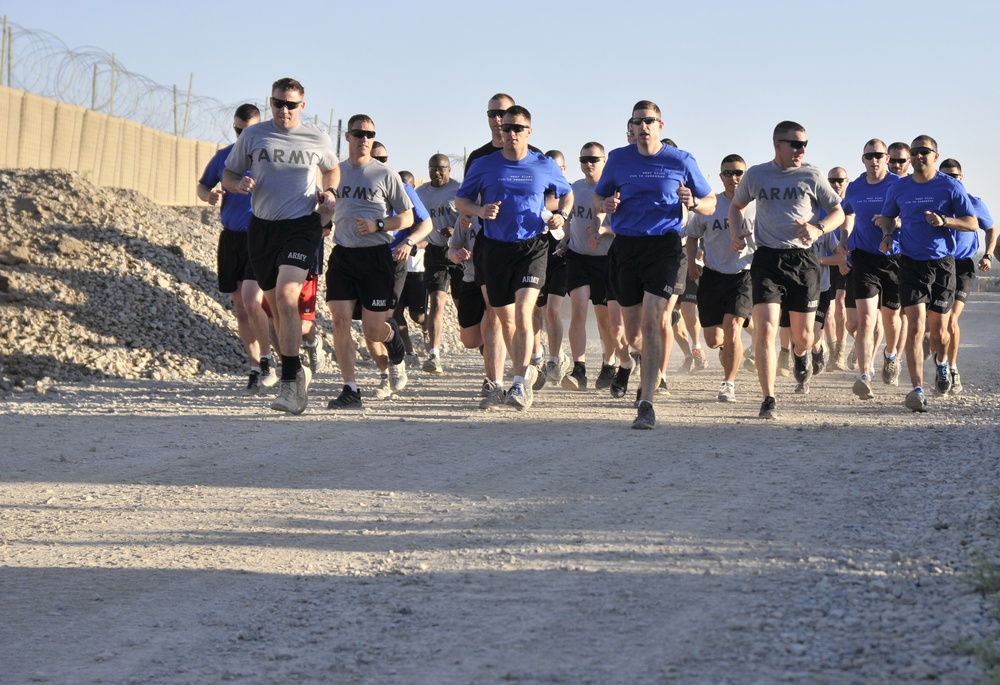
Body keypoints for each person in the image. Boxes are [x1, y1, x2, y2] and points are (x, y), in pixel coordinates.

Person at [594, 100, 716, 429]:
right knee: (632, 333)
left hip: (664, 246)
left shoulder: (681, 159)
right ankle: (637, 361)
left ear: (661, 126)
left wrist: (695, 202)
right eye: (637, 121)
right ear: (631, 127)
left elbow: (710, 202)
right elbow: (599, 197)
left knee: (652, 322)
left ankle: (646, 402)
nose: (643, 126)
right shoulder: (619, 158)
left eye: (649, 121)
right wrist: (605, 204)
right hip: (627, 247)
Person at [222, 78, 338, 414]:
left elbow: (331, 169)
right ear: (270, 103)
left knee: (288, 296)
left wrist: (330, 193)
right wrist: (238, 183)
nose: (283, 110)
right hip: (261, 228)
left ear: (302, 106)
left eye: (290, 105)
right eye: (277, 103)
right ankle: (296, 369)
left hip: (302, 225)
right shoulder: (253, 136)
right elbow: (228, 174)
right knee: (273, 308)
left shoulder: (317, 136)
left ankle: (290, 383)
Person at [455, 105, 573, 411]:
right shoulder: (484, 164)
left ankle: (520, 383)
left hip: (532, 247)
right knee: (505, 319)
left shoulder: (543, 164)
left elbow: (566, 192)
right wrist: (479, 211)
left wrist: (561, 214)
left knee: (523, 313)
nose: (510, 134)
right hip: (494, 248)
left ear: (529, 132)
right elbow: (461, 200)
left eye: (517, 128)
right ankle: (528, 368)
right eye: (506, 128)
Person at [729, 120, 844, 420]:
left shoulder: (813, 174)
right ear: (777, 145)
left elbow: (838, 212)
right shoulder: (757, 174)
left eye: (804, 145)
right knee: (766, 328)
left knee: (803, 336)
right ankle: (768, 397)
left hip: (804, 260)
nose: (801, 150)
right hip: (767, 259)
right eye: (795, 144)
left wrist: (818, 229)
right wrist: (735, 232)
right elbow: (736, 205)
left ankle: (803, 353)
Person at [875, 136, 978, 412]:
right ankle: (917, 389)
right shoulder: (900, 188)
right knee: (916, 326)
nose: (919, 156)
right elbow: (887, 216)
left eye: (924, 152)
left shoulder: (950, 186)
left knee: (940, 332)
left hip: (943, 265)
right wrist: (887, 234)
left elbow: (972, 222)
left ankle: (942, 364)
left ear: (935, 155)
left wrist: (945, 220)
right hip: (910, 263)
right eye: (915, 152)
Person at [325, 114, 415, 409]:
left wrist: (379, 225)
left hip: (375, 256)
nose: (365, 139)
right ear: (347, 136)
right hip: (343, 254)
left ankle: (395, 346)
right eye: (359, 134)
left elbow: (408, 216)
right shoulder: (335, 172)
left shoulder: (384, 174)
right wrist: (323, 218)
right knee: (339, 320)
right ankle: (350, 388)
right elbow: (326, 208)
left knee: (372, 330)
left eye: (370, 134)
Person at [461, 93, 544, 408]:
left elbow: (553, 195)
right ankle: (494, 381)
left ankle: (526, 370)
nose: (499, 120)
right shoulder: (480, 159)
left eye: (505, 114)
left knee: (524, 311)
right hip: (489, 242)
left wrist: (548, 214)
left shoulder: (534, 157)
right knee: (493, 312)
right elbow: (466, 200)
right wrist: (468, 221)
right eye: (493, 113)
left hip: (527, 243)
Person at [197, 103, 275, 395]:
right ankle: (255, 366)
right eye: (237, 130)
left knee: (252, 299)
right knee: (241, 308)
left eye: (248, 131)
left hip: (259, 236)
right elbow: (203, 186)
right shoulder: (224, 156)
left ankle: (268, 358)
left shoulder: (268, 157)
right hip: (230, 238)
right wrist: (209, 196)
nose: (242, 135)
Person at [364, 144, 433, 400]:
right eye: (374, 158)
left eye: (382, 158)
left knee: (387, 316)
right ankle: (387, 373)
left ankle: (396, 359)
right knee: (366, 323)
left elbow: (426, 223)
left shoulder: (402, 188)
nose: (378, 163)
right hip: (364, 259)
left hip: (394, 259)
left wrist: (409, 242)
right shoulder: (358, 185)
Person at [685, 154, 755, 402]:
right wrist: (693, 261)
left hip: (744, 275)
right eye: (728, 173)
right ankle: (730, 348)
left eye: (738, 173)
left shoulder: (757, 205)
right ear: (720, 176)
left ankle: (729, 384)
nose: (733, 178)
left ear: (745, 176)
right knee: (714, 340)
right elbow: (691, 236)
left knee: (733, 328)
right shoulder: (710, 204)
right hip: (712, 276)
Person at [836, 139, 902, 400]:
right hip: (863, 257)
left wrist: (894, 221)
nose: (874, 160)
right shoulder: (855, 188)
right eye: (869, 156)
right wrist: (843, 238)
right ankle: (865, 374)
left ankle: (891, 355)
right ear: (862, 159)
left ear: (886, 158)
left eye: (878, 155)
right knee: (865, 319)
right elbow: (846, 214)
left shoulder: (898, 184)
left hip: (894, 257)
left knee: (891, 318)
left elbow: (910, 214)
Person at [560, 142, 619, 391]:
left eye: (593, 159)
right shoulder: (574, 188)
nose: (588, 164)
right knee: (578, 311)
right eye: (584, 159)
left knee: (605, 320)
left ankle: (609, 363)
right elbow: (569, 220)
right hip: (578, 257)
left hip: (606, 260)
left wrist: (603, 230)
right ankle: (579, 369)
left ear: (604, 161)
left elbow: (627, 227)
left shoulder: (615, 191)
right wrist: (564, 241)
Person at [937, 158, 996, 394]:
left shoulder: (972, 202)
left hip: (963, 266)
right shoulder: (935, 203)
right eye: (945, 177)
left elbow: (991, 228)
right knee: (936, 324)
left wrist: (988, 255)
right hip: (938, 265)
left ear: (962, 179)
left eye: (954, 177)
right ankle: (940, 362)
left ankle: (952, 367)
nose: (950, 181)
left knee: (951, 320)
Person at [415, 153, 463, 375]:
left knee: (463, 306)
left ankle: (483, 345)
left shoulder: (459, 190)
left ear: (449, 170)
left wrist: (456, 229)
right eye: (432, 168)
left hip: (459, 252)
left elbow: (472, 219)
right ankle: (434, 355)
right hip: (435, 252)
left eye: (441, 169)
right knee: (437, 302)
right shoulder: (421, 193)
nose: (436, 173)